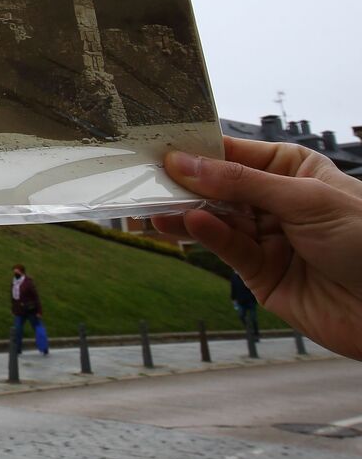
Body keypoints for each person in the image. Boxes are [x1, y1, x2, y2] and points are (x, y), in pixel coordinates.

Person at [151, 136, 362, 362]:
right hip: (267, 289)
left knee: (247, 313)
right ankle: (253, 333)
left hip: (264, 289)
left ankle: (254, 335)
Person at [11, 264, 49, 355]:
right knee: (17, 330)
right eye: (14, 272)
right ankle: (17, 349)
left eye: (17, 272)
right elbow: (13, 297)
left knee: (38, 328)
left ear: (22, 272)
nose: (15, 273)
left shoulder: (28, 283)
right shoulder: (14, 282)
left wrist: (39, 311)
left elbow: (36, 297)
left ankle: (44, 348)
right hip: (19, 311)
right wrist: (13, 309)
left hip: (31, 310)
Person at [230, 270, 259, 341]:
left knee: (253, 318)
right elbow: (233, 288)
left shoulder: (246, 274)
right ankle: (250, 331)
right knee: (241, 316)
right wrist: (233, 299)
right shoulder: (234, 277)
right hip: (240, 301)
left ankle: (256, 334)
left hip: (250, 301)